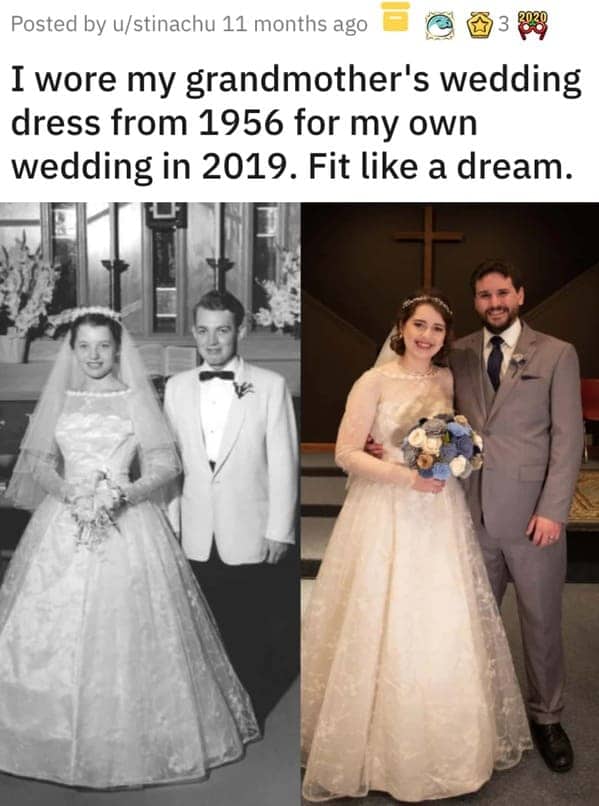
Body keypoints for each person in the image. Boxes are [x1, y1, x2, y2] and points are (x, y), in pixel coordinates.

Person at [0, 307, 259, 789]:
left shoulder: (134, 398)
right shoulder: (60, 398)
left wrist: (122, 494)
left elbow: (165, 465)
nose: (94, 355)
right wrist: (72, 493)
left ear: (118, 349)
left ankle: (126, 739)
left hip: (127, 520)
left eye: (103, 346)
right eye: (84, 346)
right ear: (72, 350)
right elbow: (39, 464)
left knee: (126, 628)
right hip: (64, 519)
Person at [301, 292, 531, 803]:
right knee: (382, 615)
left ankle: (446, 748)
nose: (427, 336)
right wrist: (405, 476)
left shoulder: (447, 380)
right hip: (386, 510)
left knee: (439, 617)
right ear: (401, 327)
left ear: (446, 337)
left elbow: (459, 436)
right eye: (419, 325)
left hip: (440, 514)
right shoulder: (373, 381)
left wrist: (457, 458)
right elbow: (345, 452)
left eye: (437, 329)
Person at [450, 261, 583, 772]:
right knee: (475, 623)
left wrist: (553, 511)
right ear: (475, 301)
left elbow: (568, 439)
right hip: (471, 513)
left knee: (541, 624)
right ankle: (481, 714)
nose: (494, 303)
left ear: (520, 295)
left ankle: (547, 717)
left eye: (502, 292)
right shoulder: (459, 352)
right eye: (484, 295)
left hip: (533, 521)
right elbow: (442, 422)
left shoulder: (556, 353)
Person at [164, 290, 298, 721]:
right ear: (193, 332)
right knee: (203, 629)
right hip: (196, 530)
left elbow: (283, 461)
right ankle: (213, 716)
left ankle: (250, 712)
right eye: (203, 331)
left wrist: (279, 529)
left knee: (250, 629)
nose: (212, 341)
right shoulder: (176, 388)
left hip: (251, 528)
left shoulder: (270, 386)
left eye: (222, 330)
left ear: (241, 331)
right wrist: (171, 525)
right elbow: (170, 465)